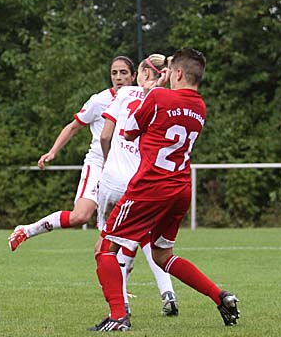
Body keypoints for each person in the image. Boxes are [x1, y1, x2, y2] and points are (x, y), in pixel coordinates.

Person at [89, 48, 239, 331]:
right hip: (180, 188)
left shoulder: (159, 96)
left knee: (104, 247)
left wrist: (151, 91)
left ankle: (118, 317)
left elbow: (129, 131)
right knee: (162, 255)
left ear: (177, 73)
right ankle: (221, 297)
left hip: (150, 186)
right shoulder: (201, 107)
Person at [8, 56, 136, 250]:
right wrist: (52, 152)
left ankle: (120, 265)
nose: (118, 77)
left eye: (123, 73)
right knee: (80, 216)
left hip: (125, 168)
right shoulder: (99, 101)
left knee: (130, 226)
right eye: (114, 73)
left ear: (133, 76)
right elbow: (73, 126)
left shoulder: (142, 99)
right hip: (99, 164)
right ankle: (28, 230)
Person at [98, 54, 178, 317]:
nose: (119, 78)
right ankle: (168, 293)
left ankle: (121, 307)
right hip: (144, 182)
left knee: (106, 247)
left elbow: (106, 135)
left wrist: (107, 161)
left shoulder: (123, 95)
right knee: (149, 242)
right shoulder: (167, 99)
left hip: (112, 181)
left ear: (140, 74)